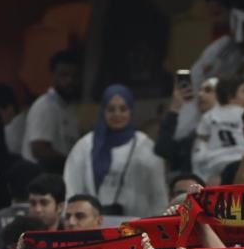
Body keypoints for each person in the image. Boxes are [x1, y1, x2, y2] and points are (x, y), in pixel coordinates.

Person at [63, 84, 168, 217]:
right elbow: (71, 185)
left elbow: (158, 192)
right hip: (92, 224)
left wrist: (159, 224)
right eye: (111, 109)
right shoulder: (86, 145)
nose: (117, 114)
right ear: (103, 111)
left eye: (123, 109)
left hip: (137, 225)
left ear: (131, 111)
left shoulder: (145, 146)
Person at [19, 49, 80, 170]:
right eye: (64, 75)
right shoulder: (45, 106)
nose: (70, 81)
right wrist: (71, 164)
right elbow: (39, 150)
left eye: (74, 76)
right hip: (41, 179)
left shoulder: (69, 109)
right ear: (53, 76)